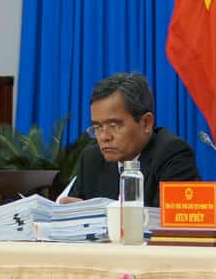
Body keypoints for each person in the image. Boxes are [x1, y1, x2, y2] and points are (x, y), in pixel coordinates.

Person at [62, 73, 199, 207]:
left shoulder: (173, 154)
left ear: (146, 123)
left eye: (114, 125)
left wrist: (95, 215)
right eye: (97, 127)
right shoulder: (91, 160)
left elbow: (166, 223)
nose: (104, 137)